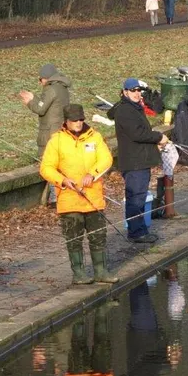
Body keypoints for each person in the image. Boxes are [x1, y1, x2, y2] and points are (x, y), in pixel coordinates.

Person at [39, 104, 118, 285]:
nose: (78, 123)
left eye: (81, 119)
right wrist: (62, 181)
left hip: (93, 198)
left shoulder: (95, 137)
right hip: (69, 199)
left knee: (98, 236)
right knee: (73, 238)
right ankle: (79, 273)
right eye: (74, 120)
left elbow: (106, 159)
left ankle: (101, 271)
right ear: (66, 122)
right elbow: (46, 168)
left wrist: (92, 173)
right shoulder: (57, 140)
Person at [108, 78, 166, 243]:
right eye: (133, 90)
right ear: (125, 92)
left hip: (140, 159)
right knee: (135, 197)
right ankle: (136, 232)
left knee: (139, 196)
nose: (137, 93)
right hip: (134, 162)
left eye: (138, 90)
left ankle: (140, 229)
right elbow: (138, 134)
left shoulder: (133, 108)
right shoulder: (125, 111)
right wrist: (159, 137)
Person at [19, 64, 71, 206]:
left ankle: (55, 198)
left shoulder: (50, 89)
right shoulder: (63, 88)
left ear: (46, 78)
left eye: (40, 79)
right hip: (61, 130)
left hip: (50, 132)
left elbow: (40, 108)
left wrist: (30, 100)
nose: (40, 82)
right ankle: (59, 196)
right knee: (60, 164)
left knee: (51, 165)